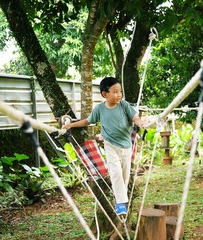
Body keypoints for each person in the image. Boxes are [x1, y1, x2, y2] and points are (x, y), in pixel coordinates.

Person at [62, 77, 145, 215]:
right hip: (110, 145)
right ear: (105, 94)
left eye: (120, 91)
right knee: (115, 172)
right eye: (115, 91)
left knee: (124, 176)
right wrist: (71, 124)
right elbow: (87, 121)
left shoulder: (124, 105)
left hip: (126, 146)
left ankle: (122, 201)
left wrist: (140, 123)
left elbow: (135, 118)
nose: (119, 95)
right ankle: (120, 203)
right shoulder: (99, 109)